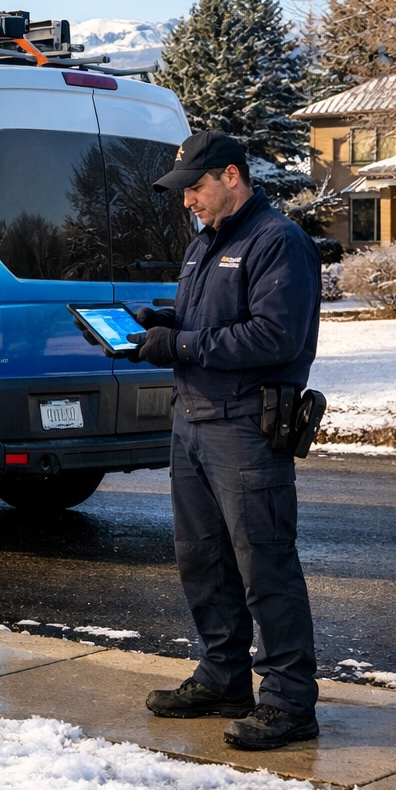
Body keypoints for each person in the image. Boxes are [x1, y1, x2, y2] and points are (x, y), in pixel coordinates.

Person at [125, 130, 322, 751]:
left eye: (196, 187)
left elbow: (273, 337)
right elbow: (209, 321)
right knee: (202, 561)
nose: (188, 200)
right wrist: (166, 322)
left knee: (265, 565)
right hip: (194, 422)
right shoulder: (207, 243)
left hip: (246, 429)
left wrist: (179, 345)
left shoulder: (276, 241)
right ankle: (223, 677)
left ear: (231, 176)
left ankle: (290, 703)